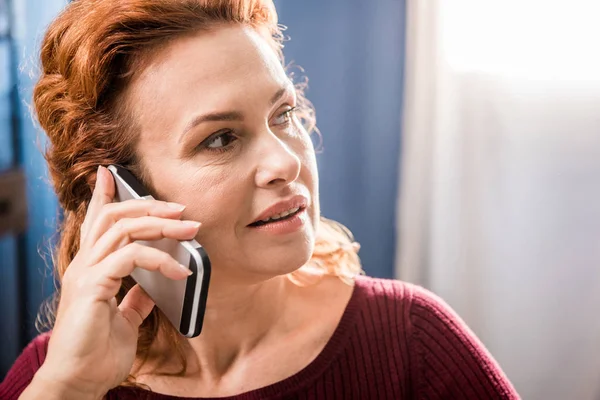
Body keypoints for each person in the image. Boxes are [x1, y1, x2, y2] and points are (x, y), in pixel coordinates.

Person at [0, 0, 519, 399]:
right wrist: (66, 389)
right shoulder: (57, 374)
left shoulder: (412, 343)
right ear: (120, 193)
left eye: (283, 114)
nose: (287, 162)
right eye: (220, 138)